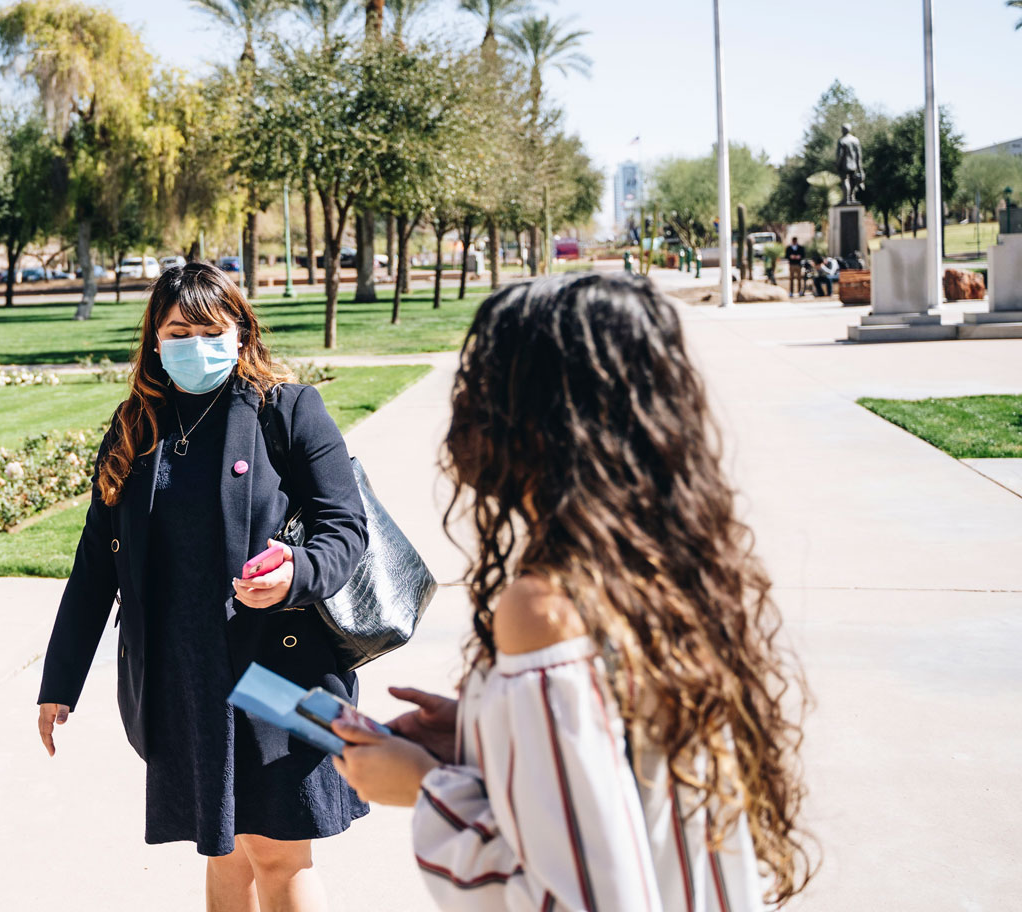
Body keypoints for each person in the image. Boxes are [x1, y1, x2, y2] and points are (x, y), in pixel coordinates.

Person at [330, 273, 813, 910]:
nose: (460, 407)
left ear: (544, 421)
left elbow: (575, 897)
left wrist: (426, 786)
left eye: (482, 384)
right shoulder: (658, 564)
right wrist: (488, 736)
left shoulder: (543, 608)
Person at [37, 262, 369, 911]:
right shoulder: (135, 425)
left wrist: (295, 574)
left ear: (241, 332)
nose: (196, 344)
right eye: (179, 330)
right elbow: (95, 564)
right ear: (155, 341)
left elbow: (344, 527)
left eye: (211, 329)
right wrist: (60, 681)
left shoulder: (288, 410)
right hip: (183, 684)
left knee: (278, 850)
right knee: (224, 849)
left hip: (282, 675)